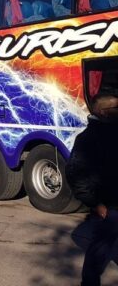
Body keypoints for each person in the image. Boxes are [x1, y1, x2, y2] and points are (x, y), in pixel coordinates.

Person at [66, 92, 118, 286]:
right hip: (109, 206)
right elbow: (75, 174)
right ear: (104, 112)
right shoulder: (88, 139)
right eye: (116, 108)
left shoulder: (114, 131)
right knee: (100, 248)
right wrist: (95, 204)